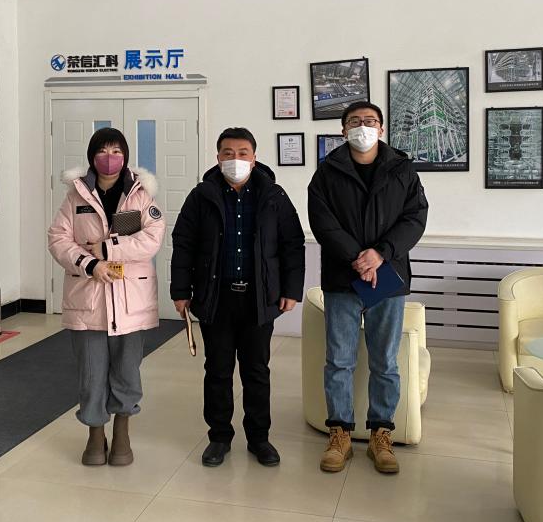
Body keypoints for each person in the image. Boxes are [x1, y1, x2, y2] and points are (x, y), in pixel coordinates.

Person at [171, 127, 305, 467]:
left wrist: (291, 290)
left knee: (256, 370)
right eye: (228, 153)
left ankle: (259, 438)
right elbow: (183, 244)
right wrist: (180, 291)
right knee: (218, 370)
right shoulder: (201, 196)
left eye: (243, 153)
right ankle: (219, 437)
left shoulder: (273, 195)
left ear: (254, 157)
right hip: (216, 297)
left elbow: (292, 243)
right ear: (217, 158)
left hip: (259, 298)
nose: (235, 159)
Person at [307, 101, 428, 474]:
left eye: (370, 121)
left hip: (388, 277)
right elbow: (322, 221)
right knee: (339, 360)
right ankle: (340, 434)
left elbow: (415, 217)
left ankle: (381, 434)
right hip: (343, 277)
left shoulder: (402, 169)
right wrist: (357, 259)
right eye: (355, 122)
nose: (363, 127)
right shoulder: (327, 172)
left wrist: (381, 254)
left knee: (385, 361)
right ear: (343, 130)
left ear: (382, 128)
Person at [48, 127, 164, 467]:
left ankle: (122, 433)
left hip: (131, 301)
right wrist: (90, 264)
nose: (109, 158)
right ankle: (95, 434)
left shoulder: (140, 196)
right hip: (89, 300)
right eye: (103, 151)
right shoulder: (76, 196)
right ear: (92, 156)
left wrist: (109, 249)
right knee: (91, 372)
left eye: (116, 151)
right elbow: (58, 238)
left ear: (125, 156)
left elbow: (151, 238)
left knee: (127, 370)